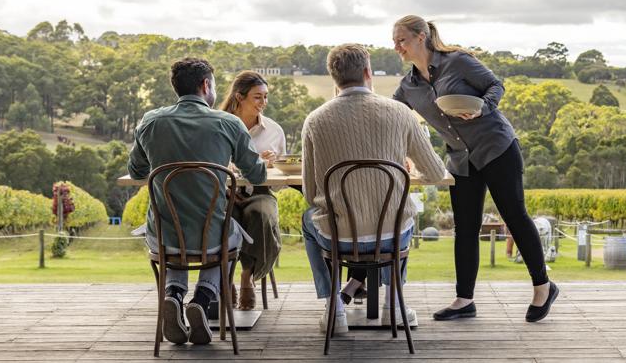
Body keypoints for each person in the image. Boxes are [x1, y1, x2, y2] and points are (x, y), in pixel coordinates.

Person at [391, 15, 558, 323]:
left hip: (497, 147)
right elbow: (391, 115)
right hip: (460, 159)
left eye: (401, 40)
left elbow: (496, 85)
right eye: (394, 42)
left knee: (514, 216)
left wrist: (482, 107)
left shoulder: (457, 62)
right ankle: (464, 300)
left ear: (420, 37)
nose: (397, 47)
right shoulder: (408, 86)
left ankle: (543, 287)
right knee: (465, 228)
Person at [300, 43, 447, 334]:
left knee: (308, 220)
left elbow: (309, 192)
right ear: (368, 72)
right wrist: (404, 170)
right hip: (391, 237)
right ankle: (393, 306)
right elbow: (435, 172)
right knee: (401, 216)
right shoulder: (401, 113)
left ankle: (334, 309)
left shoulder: (314, 120)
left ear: (334, 78)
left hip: (339, 238)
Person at [128, 58, 267, 345]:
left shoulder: (151, 121)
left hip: (164, 237)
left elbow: (136, 172)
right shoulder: (228, 123)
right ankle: (202, 300)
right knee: (227, 235)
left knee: (176, 231)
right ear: (206, 85)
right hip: (211, 237)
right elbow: (257, 174)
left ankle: (174, 294)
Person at [219, 71, 285, 310]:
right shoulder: (218, 125)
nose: (263, 102)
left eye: (266, 97)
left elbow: (278, 184)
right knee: (223, 218)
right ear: (240, 97)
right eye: (257, 97)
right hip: (223, 193)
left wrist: (272, 165)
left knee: (261, 214)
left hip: (259, 192)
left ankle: (247, 277)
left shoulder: (274, 131)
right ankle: (224, 278)